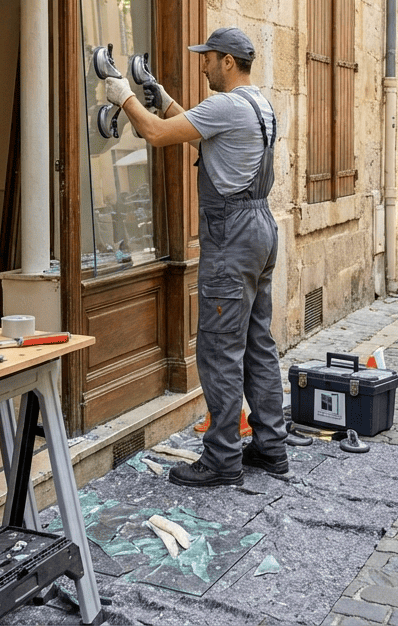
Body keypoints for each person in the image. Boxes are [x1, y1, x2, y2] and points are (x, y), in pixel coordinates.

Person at [104, 27, 289, 487]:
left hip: (231, 233)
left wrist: (123, 95)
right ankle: (270, 447)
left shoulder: (226, 104)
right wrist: (160, 95)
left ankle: (223, 459)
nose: (202, 63)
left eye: (207, 57)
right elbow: (199, 134)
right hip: (261, 226)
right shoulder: (259, 104)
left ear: (228, 61)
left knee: (219, 348)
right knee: (257, 343)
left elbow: (156, 134)